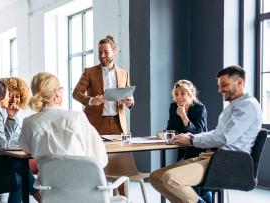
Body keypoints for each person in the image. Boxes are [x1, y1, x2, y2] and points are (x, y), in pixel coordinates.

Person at [150, 65, 262, 203]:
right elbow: (216, 132)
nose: (220, 90)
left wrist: (191, 141)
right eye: (219, 85)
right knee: (156, 177)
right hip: (211, 156)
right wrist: (192, 137)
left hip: (226, 161)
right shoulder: (234, 106)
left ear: (240, 82)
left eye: (224, 85)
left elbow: (223, 138)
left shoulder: (247, 106)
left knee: (170, 178)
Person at [19, 72, 108, 168]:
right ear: (57, 93)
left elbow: (27, 149)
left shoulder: (28, 122)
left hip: (49, 182)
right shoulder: (77, 117)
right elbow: (100, 157)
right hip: (82, 180)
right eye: (60, 89)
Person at [72, 35, 134, 135]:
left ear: (114, 51)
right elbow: (76, 93)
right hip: (95, 124)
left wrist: (130, 102)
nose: (102, 55)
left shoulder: (124, 73)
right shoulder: (89, 72)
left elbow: (129, 95)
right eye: (100, 52)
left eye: (106, 52)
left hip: (118, 125)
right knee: (95, 151)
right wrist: (91, 100)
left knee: (123, 151)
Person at [167, 80, 208, 160]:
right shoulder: (173, 107)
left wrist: (183, 116)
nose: (178, 97)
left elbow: (197, 132)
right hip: (181, 147)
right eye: (176, 94)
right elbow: (171, 129)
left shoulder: (199, 108)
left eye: (182, 93)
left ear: (190, 94)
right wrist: (164, 134)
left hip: (197, 149)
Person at [1, 77, 30, 146]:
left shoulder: (16, 114)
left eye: (17, 96)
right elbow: (3, 143)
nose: (14, 99)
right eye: (10, 95)